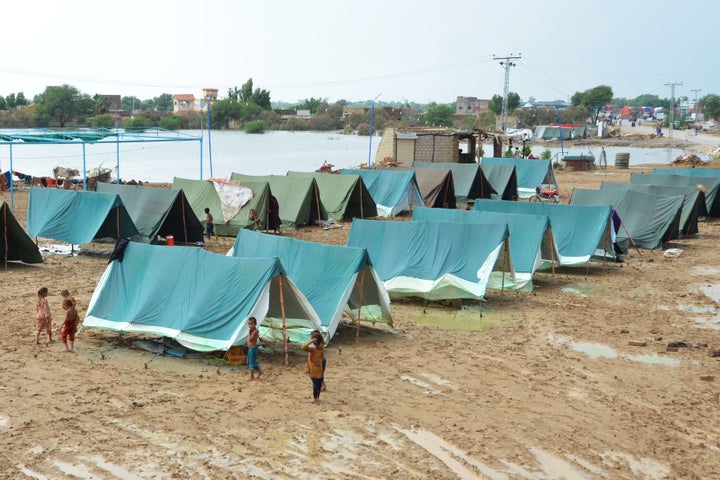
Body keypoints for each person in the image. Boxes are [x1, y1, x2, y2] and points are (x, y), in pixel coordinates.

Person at [302, 332, 325, 403]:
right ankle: (317, 397)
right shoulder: (321, 348)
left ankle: (315, 398)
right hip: (320, 368)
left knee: (315, 384)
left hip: (314, 369)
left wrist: (310, 342)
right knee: (319, 383)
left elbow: (303, 347)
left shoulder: (313, 350)